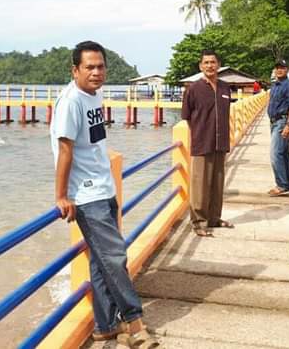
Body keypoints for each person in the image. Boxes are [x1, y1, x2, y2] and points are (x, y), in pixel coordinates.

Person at [51, 40, 160, 348]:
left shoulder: (94, 94)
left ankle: (106, 325)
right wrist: (61, 196)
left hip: (105, 187)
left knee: (102, 262)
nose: (96, 72)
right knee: (114, 257)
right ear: (75, 70)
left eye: (100, 67)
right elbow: (64, 149)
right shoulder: (70, 102)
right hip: (87, 196)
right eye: (89, 67)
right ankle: (134, 322)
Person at [181, 49, 233, 237]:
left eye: (213, 62)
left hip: (221, 142)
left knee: (217, 184)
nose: (210, 65)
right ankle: (198, 222)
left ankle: (214, 218)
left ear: (219, 65)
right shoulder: (193, 89)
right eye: (206, 62)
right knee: (200, 185)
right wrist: (199, 133)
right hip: (202, 142)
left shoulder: (225, 88)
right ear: (201, 66)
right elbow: (187, 116)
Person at [267, 59, 289, 196]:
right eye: (277, 68)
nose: (279, 70)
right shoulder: (275, 85)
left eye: (282, 68)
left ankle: (281, 185)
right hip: (274, 122)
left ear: (287, 70)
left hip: (282, 121)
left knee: (275, 154)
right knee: (283, 153)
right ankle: (287, 185)